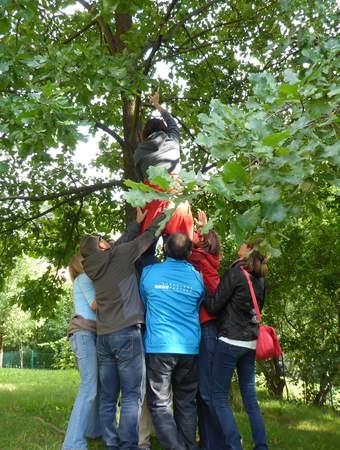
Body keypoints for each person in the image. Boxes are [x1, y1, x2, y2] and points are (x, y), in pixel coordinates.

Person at [79, 208, 166, 450]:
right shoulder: (119, 256)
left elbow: (118, 244)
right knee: (131, 396)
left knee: (108, 398)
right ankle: (128, 446)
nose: (106, 240)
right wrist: (165, 213)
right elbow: (147, 238)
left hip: (104, 337)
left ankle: (111, 443)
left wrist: (134, 223)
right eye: (102, 239)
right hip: (126, 333)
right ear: (102, 247)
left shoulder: (95, 264)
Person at [140, 233, 205, 450]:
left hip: (159, 347)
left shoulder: (149, 273)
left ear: (164, 249)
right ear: (189, 253)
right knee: (186, 402)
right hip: (189, 349)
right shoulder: (197, 277)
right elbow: (198, 304)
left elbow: (145, 300)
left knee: (159, 403)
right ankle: (188, 446)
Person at [204, 241, 269, 450]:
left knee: (218, 396)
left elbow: (214, 305)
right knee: (250, 398)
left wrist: (201, 287)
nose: (240, 245)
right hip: (250, 343)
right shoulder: (260, 279)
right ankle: (261, 446)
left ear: (248, 250)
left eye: (244, 244)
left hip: (230, 341)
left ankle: (234, 445)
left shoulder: (237, 273)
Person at [187, 211, 227, 450]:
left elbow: (216, 298)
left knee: (207, 390)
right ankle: (210, 441)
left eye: (195, 232)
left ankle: (217, 443)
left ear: (202, 242)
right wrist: (205, 227)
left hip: (207, 329)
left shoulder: (199, 261)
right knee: (204, 389)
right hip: (205, 329)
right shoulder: (208, 259)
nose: (190, 233)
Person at [62, 254, 101, 450]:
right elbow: (95, 305)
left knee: (96, 386)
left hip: (90, 334)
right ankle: (72, 443)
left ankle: (93, 430)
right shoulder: (84, 278)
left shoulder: (83, 280)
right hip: (84, 335)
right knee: (89, 387)